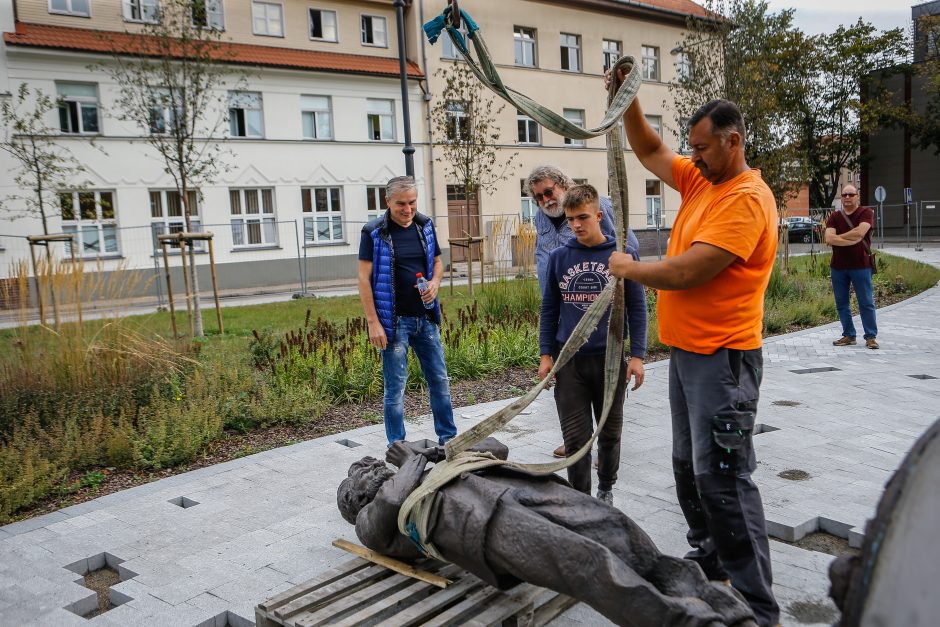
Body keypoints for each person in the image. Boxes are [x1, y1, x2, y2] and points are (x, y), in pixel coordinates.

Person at [604, 90, 780, 627]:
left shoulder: (746, 199)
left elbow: (692, 270)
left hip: (725, 363)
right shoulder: (704, 178)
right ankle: (709, 559)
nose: (694, 156)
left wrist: (627, 267)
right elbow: (650, 149)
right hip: (688, 356)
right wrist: (625, 100)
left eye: (704, 148)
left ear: (735, 141)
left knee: (725, 478)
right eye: (694, 148)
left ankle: (757, 604)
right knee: (689, 467)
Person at [337, 439, 758, 627]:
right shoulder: (371, 521)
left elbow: (496, 447)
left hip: (520, 488)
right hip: (481, 526)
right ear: (355, 501)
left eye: (370, 464)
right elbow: (394, 498)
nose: (371, 468)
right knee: (590, 564)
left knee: (617, 531)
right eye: (360, 475)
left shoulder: (423, 466)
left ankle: (723, 608)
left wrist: (443, 449)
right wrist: (416, 456)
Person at [538, 184, 647, 504]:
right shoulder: (559, 258)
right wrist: (546, 354)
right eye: (570, 219)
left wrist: (637, 356)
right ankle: (580, 499)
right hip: (569, 361)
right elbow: (549, 309)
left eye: (583, 217)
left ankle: (606, 489)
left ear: (599, 215)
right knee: (575, 438)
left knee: (610, 433)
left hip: (610, 360)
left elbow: (637, 308)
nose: (576, 225)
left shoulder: (622, 255)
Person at [525, 164, 640, 459]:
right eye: (538, 197)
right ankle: (576, 439)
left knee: (604, 394)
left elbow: (629, 248)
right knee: (571, 391)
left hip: (602, 314)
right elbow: (544, 254)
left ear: (562, 184)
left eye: (549, 192)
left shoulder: (597, 205)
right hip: (566, 307)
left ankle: (603, 446)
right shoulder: (543, 217)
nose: (545, 200)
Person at [358, 176, 457, 446]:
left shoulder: (425, 226)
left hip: (425, 319)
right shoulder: (374, 232)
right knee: (395, 390)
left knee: (439, 381)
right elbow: (363, 279)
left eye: (412, 202)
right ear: (387, 201)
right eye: (401, 203)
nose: (408, 209)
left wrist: (435, 282)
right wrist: (373, 323)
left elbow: (438, 262)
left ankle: (448, 440)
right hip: (394, 323)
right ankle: (397, 446)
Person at [824, 184, 878, 349]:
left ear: (857, 196)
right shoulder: (834, 216)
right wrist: (849, 238)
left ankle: (870, 337)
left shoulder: (865, 213)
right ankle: (849, 335)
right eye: (845, 195)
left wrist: (838, 238)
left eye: (851, 194)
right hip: (838, 267)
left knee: (866, 301)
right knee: (841, 303)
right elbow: (829, 239)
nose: (847, 197)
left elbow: (860, 233)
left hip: (861, 265)